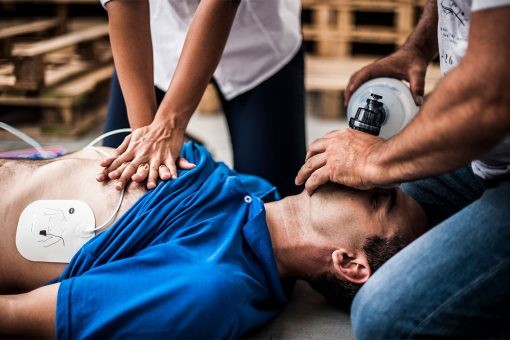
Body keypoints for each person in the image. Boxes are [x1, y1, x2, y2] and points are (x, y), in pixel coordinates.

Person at [0, 142, 426, 338]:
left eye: (379, 199)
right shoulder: (258, 193)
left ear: (350, 263)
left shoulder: (209, 285)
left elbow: (16, 316)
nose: (364, 173)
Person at [295, 0, 510, 337]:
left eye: (381, 197)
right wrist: (419, 47)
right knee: (405, 204)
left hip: (495, 124)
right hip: (491, 153)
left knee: (385, 315)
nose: (375, 189)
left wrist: (373, 161)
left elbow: (491, 97)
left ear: (349, 264)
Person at [98, 0, 306, 196]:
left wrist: (169, 125)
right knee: (119, 176)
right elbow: (127, 4)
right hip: (158, 38)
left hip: (256, 43)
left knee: (274, 195)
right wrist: (144, 142)